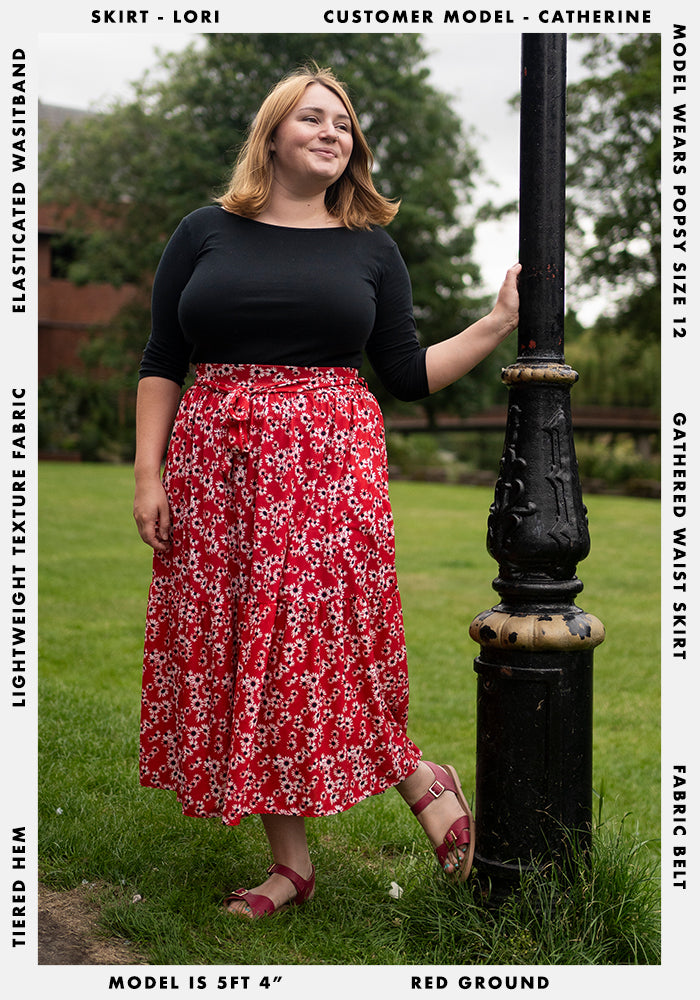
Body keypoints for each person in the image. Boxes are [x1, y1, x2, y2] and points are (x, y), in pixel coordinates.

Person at [134, 65, 520, 919]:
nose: (331, 132)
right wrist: (148, 472)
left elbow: (408, 374)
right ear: (272, 134)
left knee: (321, 640)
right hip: (216, 470)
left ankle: (415, 773)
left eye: (343, 124)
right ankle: (291, 865)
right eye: (313, 118)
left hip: (325, 472)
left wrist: (494, 325)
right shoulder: (205, 232)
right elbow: (163, 358)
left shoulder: (369, 248)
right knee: (247, 650)